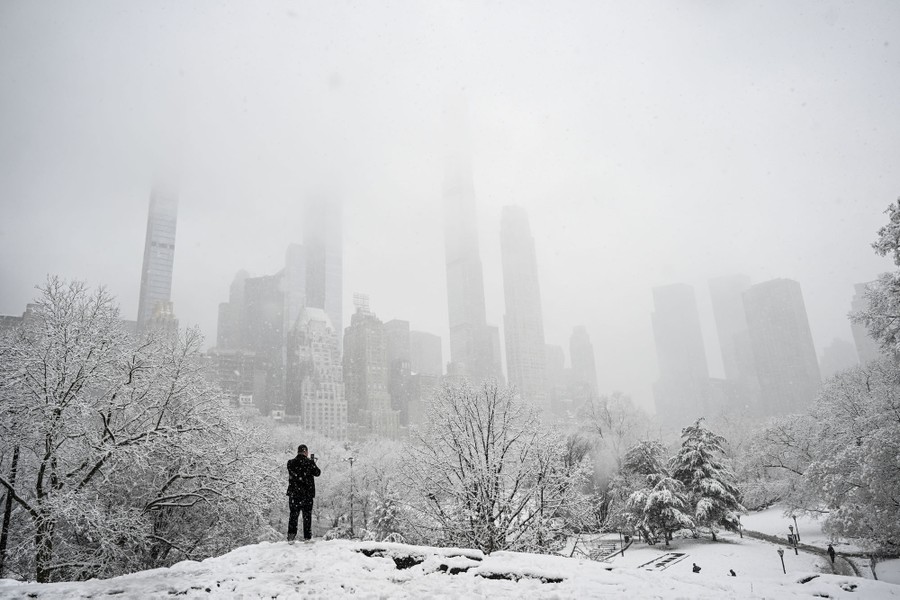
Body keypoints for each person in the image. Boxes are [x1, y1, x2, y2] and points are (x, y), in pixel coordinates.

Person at [287, 444, 321, 542]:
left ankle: (291, 537)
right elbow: (318, 473)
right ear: (306, 452)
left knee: (293, 515)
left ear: (298, 451)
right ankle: (307, 537)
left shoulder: (290, 463)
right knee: (307, 516)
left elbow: (294, 473)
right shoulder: (309, 463)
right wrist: (313, 462)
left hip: (294, 494)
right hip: (307, 494)